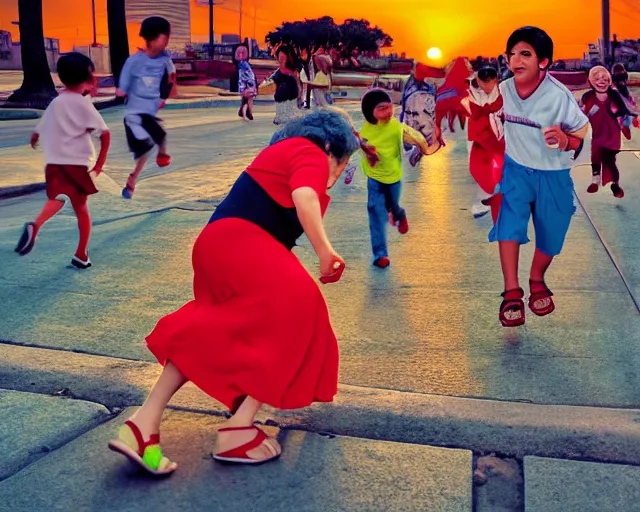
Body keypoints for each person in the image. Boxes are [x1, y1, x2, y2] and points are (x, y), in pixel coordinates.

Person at [108, 109, 359, 475]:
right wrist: (324, 250)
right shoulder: (309, 150)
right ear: (329, 146)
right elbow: (305, 196)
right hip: (242, 242)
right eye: (342, 161)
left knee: (216, 327)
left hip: (219, 243)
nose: (337, 174)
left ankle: (142, 426)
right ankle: (238, 430)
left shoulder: (283, 154)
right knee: (302, 310)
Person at [490, 26, 589, 327]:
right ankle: (511, 292)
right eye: (511, 55)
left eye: (525, 54)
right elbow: (482, 111)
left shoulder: (559, 96)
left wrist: (565, 139)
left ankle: (537, 278)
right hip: (516, 169)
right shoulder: (503, 91)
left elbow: (582, 132)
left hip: (553, 175)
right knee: (508, 226)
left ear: (543, 61)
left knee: (552, 233)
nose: (515, 60)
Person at [14, 53, 110, 269]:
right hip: (77, 164)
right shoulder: (83, 104)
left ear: (61, 78)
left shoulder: (57, 102)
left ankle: (36, 225)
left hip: (55, 163)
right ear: (87, 77)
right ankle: (81, 254)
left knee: (57, 197)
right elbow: (105, 135)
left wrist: (35, 137)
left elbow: (40, 129)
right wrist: (99, 164)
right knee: (82, 210)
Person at [359, 89, 431, 269]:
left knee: (393, 206)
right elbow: (357, 147)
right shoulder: (365, 130)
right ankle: (380, 254)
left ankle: (399, 214)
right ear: (370, 112)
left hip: (393, 177)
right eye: (382, 109)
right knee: (376, 213)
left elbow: (419, 139)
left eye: (390, 108)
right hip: (374, 177)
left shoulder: (397, 127)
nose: (388, 112)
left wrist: (421, 151)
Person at [117, 16, 176, 199]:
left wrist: (164, 95)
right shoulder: (134, 62)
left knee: (161, 137)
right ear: (150, 38)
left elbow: (171, 80)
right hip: (135, 114)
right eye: (163, 36)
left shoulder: (165, 60)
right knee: (146, 148)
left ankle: (160, 156)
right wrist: (122, 92)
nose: (166, 40)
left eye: (167, 36)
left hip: (148, 113)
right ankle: (132, 181)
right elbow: (121, 89)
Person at [580, 65, 637, 198]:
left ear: (610, 80)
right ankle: (595, 180)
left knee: (608, 159)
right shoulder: (588, 97)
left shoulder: (616, 96)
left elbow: (629, 108)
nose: (601, 81)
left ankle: (615, 185)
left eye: (604, 79)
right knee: (595, 155)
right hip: (598, 135)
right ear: (591, 82)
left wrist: (630, 123)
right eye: (597, 79)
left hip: (612, 135)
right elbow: (579, 113)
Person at [461, 64, 505, 221]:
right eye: (482, 83)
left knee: (500, 167)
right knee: (476, 168)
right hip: (478, 134)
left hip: (497, 135)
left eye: (489, 83)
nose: (486, 86)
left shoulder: (504, 90)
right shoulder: (470, 91)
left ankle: (494, 199)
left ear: (496, 80)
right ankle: (486, 200)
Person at [271, 45, 301, 125]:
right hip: (291, 82)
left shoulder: (282, 52)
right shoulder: (292, 55)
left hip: (286, 82)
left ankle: (281, 118)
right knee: (290, 106)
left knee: (282, 101)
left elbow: (282, 68)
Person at [235, 43, 257, 121]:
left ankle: (243, 111)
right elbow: (248, 75)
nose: (241, 55)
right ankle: (249, 112)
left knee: (245, 98)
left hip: (244, 83)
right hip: (248, 82)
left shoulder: (240, 64)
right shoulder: (244, 64)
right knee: (249, 97)